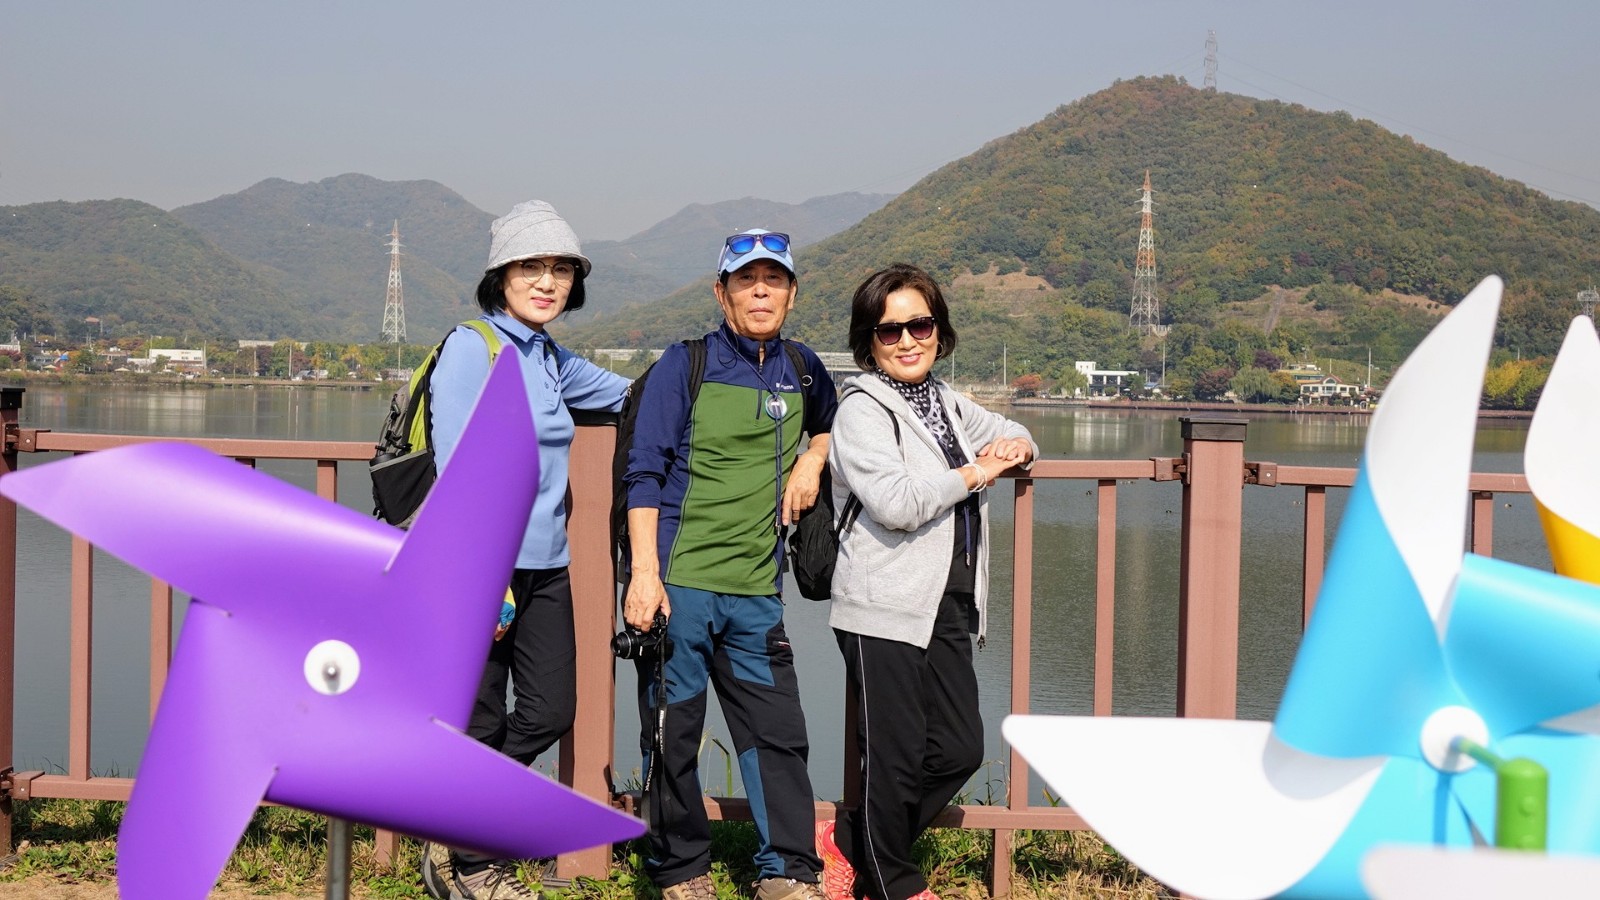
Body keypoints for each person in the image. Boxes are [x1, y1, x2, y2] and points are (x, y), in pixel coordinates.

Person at [421, 200, 631, 900]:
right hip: (483, 566)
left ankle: (455, 821)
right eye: (531, 267)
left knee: (549, 710)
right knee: (482, 718)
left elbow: (633, 395)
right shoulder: (472, 347)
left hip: (547, 568)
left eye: (561, 269)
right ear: (500, 275)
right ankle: (475, 865)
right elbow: (456, 468)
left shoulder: (548, 358)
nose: (548, 282)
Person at [622, 229, 836, 900]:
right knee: (672, 734)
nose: (761, 292)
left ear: (793, 293)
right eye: (747, 281)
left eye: (774, 280)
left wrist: (813, 457)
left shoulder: (804, 368)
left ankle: (787, 872)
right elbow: (644, 471)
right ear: (722, 293)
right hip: (679, 587)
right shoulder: (684, 365)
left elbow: (831, 424)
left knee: (778, 736)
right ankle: (681, 869)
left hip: (757, 593)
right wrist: (644, 574)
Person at [818, 264, 1037, 900]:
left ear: (939, 330)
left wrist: (1017, 449)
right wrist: (977, 473)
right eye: (890, 331)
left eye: (920, 324)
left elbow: (1014, 432)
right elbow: (897, 503)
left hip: (946, 600)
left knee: (959, 747)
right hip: (882, 603)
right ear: (869, 341)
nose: (908, 340)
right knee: (893, 754)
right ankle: (894, 883)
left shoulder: (945, 403)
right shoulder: (861, 410)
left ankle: (849, 842)